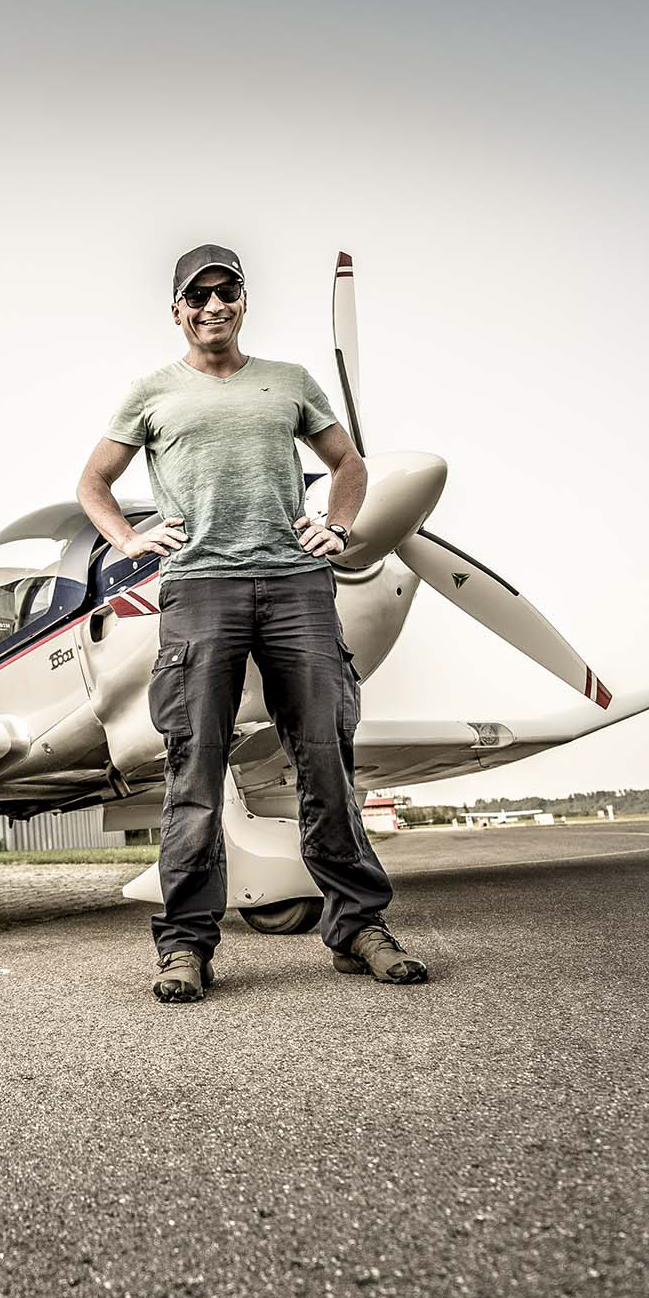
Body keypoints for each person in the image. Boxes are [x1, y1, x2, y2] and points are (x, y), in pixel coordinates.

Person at [75, 243, 427, 1002]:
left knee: (325, 758)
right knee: (193, 770)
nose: (212, 307)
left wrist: (336, 526)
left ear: (242, 302)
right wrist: (131, 541)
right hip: (200, 589)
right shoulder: (150, 393)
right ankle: (185, 947)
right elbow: (93, 482)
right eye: (196, 297)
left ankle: (360, 927)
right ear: (177, 310)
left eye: (225, 292)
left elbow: (349, 464)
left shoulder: (289, 383)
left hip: (298, 584)